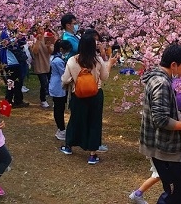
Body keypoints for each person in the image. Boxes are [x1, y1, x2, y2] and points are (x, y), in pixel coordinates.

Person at [138, 43, 181, 204]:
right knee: (176, 191)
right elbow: (161, 119)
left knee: (180, 186)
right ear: (173, 65)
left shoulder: (157, 78)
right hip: (164, 146)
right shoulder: (161, 83)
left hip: (163, 144)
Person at [59, 32, 117, 164]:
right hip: (95, 94)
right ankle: (92, 154)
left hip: (78, 94)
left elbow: (65, 79)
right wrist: (109, 64)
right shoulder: (97, 61)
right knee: (94, 122)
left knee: (75, 119)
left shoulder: (72, 60)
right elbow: (104, 77)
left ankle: (68, 146)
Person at [0, 28, 28, 108]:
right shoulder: (4, 32)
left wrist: (21, 37)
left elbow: (22, 42)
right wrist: (16, 38)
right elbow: (7, 44)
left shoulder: (13, 31)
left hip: (16, 62)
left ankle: (15, 100)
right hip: (10, 63)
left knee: (16, 83)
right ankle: (11, 101)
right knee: (12, 82)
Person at [49, 39, 72, 140]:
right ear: (61, 49)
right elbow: (64, 73)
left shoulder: (56, 58)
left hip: (57, 85)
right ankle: (61, 129)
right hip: (58, 86)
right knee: (59, 109)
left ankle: (61, 129)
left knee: (59, 108)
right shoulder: (58, 60)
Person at [31, 26, 55, 108]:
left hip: (47, 64)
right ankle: (43, 100)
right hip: (39, 65)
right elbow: (35, 51)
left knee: (49, 82)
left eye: (42, 29)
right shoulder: (34, 40)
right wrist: (37, 41)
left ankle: (47, 95)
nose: (41, 31)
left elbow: (51, 51)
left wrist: (48, 46)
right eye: (39, 29)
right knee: (44, 83)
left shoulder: (47, 38)